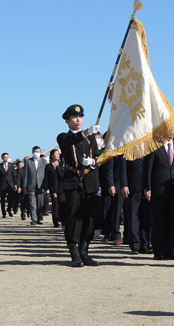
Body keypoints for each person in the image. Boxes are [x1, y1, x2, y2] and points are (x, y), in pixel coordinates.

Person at [57, 104, 101, 267]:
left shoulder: (92, 139)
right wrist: (86, 132)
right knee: (73, 217)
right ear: (67, 121)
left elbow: (99, 157)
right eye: (74, 117)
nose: (78, 119)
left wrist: (92, 162)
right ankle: (74, 253)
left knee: (89, 218)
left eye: (81, 117)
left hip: (89, 182)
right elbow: (71, 140)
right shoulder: (63, 137)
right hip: (73, 182)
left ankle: (85, 252)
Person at [143, 138, 174, 260]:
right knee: (158, 220)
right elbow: (147, 168)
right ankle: (158, 251)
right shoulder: (154, 145)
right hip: (157, 188)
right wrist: (147, 187)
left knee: (171, 221)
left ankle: (169, 251)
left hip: (173, 189)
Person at [119, 156, 151, 255]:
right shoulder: (128, 148)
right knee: (133, 218)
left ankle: (145, 245)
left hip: (147, 189)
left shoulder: (149, 147)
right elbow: (122, 167)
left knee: (146, 218)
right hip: (132, 188)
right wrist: (124, 184)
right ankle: (135, 246)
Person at [23, 146, 47, 225]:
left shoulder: (44, 161)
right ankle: (34, 219)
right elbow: (25, 174)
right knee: (32, 203)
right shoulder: (28, 162)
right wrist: (24, 186)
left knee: (40, 203)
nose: (37, 153)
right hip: (31, 185)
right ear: (32, 152)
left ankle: (40, 218)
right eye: (35, 151)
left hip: (41, 185)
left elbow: (46, 174)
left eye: (38, 151)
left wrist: (46, 186)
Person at [45, 149, 63, 227]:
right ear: (52, 155)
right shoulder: (48, 166)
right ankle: (55, 221)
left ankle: (62, 220)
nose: (58, 155)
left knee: (62, 204)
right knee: (55, 205)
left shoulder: (62, 165)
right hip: (53, 188)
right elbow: (46, 178)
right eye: (56, 154)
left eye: (58, 154)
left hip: (62, 188)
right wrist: (46, 188)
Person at [0, 153, 17, 218]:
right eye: (4, 157)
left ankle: (9, 209)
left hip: (10, 185)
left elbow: (14, 175)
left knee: (11, 199)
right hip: (2, 185)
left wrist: (15, 184)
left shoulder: (11, 165)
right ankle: (3, 213)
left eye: (7, 157)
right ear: (2, 158)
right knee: (3, 200)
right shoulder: (0, 166)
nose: (6, 158)